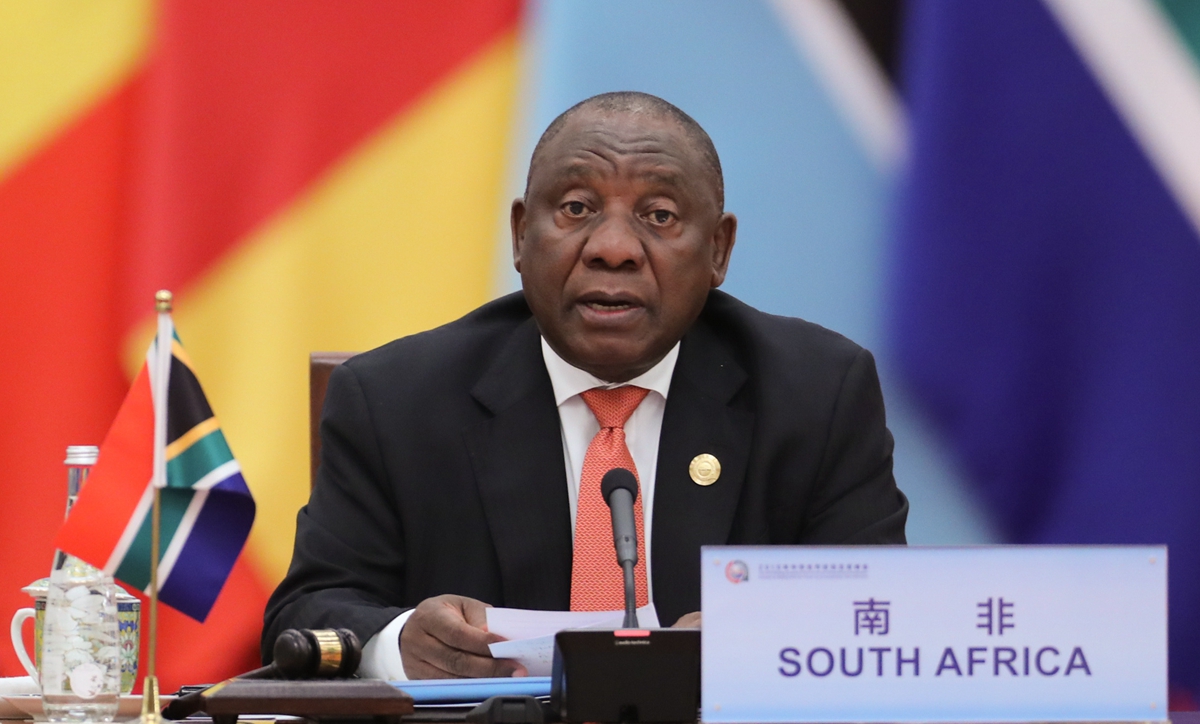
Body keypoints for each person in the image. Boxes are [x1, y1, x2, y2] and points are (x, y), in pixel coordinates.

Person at [262, 91, 908, 680]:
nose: (614, 248)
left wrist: (760, 635)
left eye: (659, 215)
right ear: (521, 234)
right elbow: (306, 615)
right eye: (576, 208)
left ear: (717, 249)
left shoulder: (817, 393)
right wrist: (400, 641)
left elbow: (882, 610)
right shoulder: (395, 400)